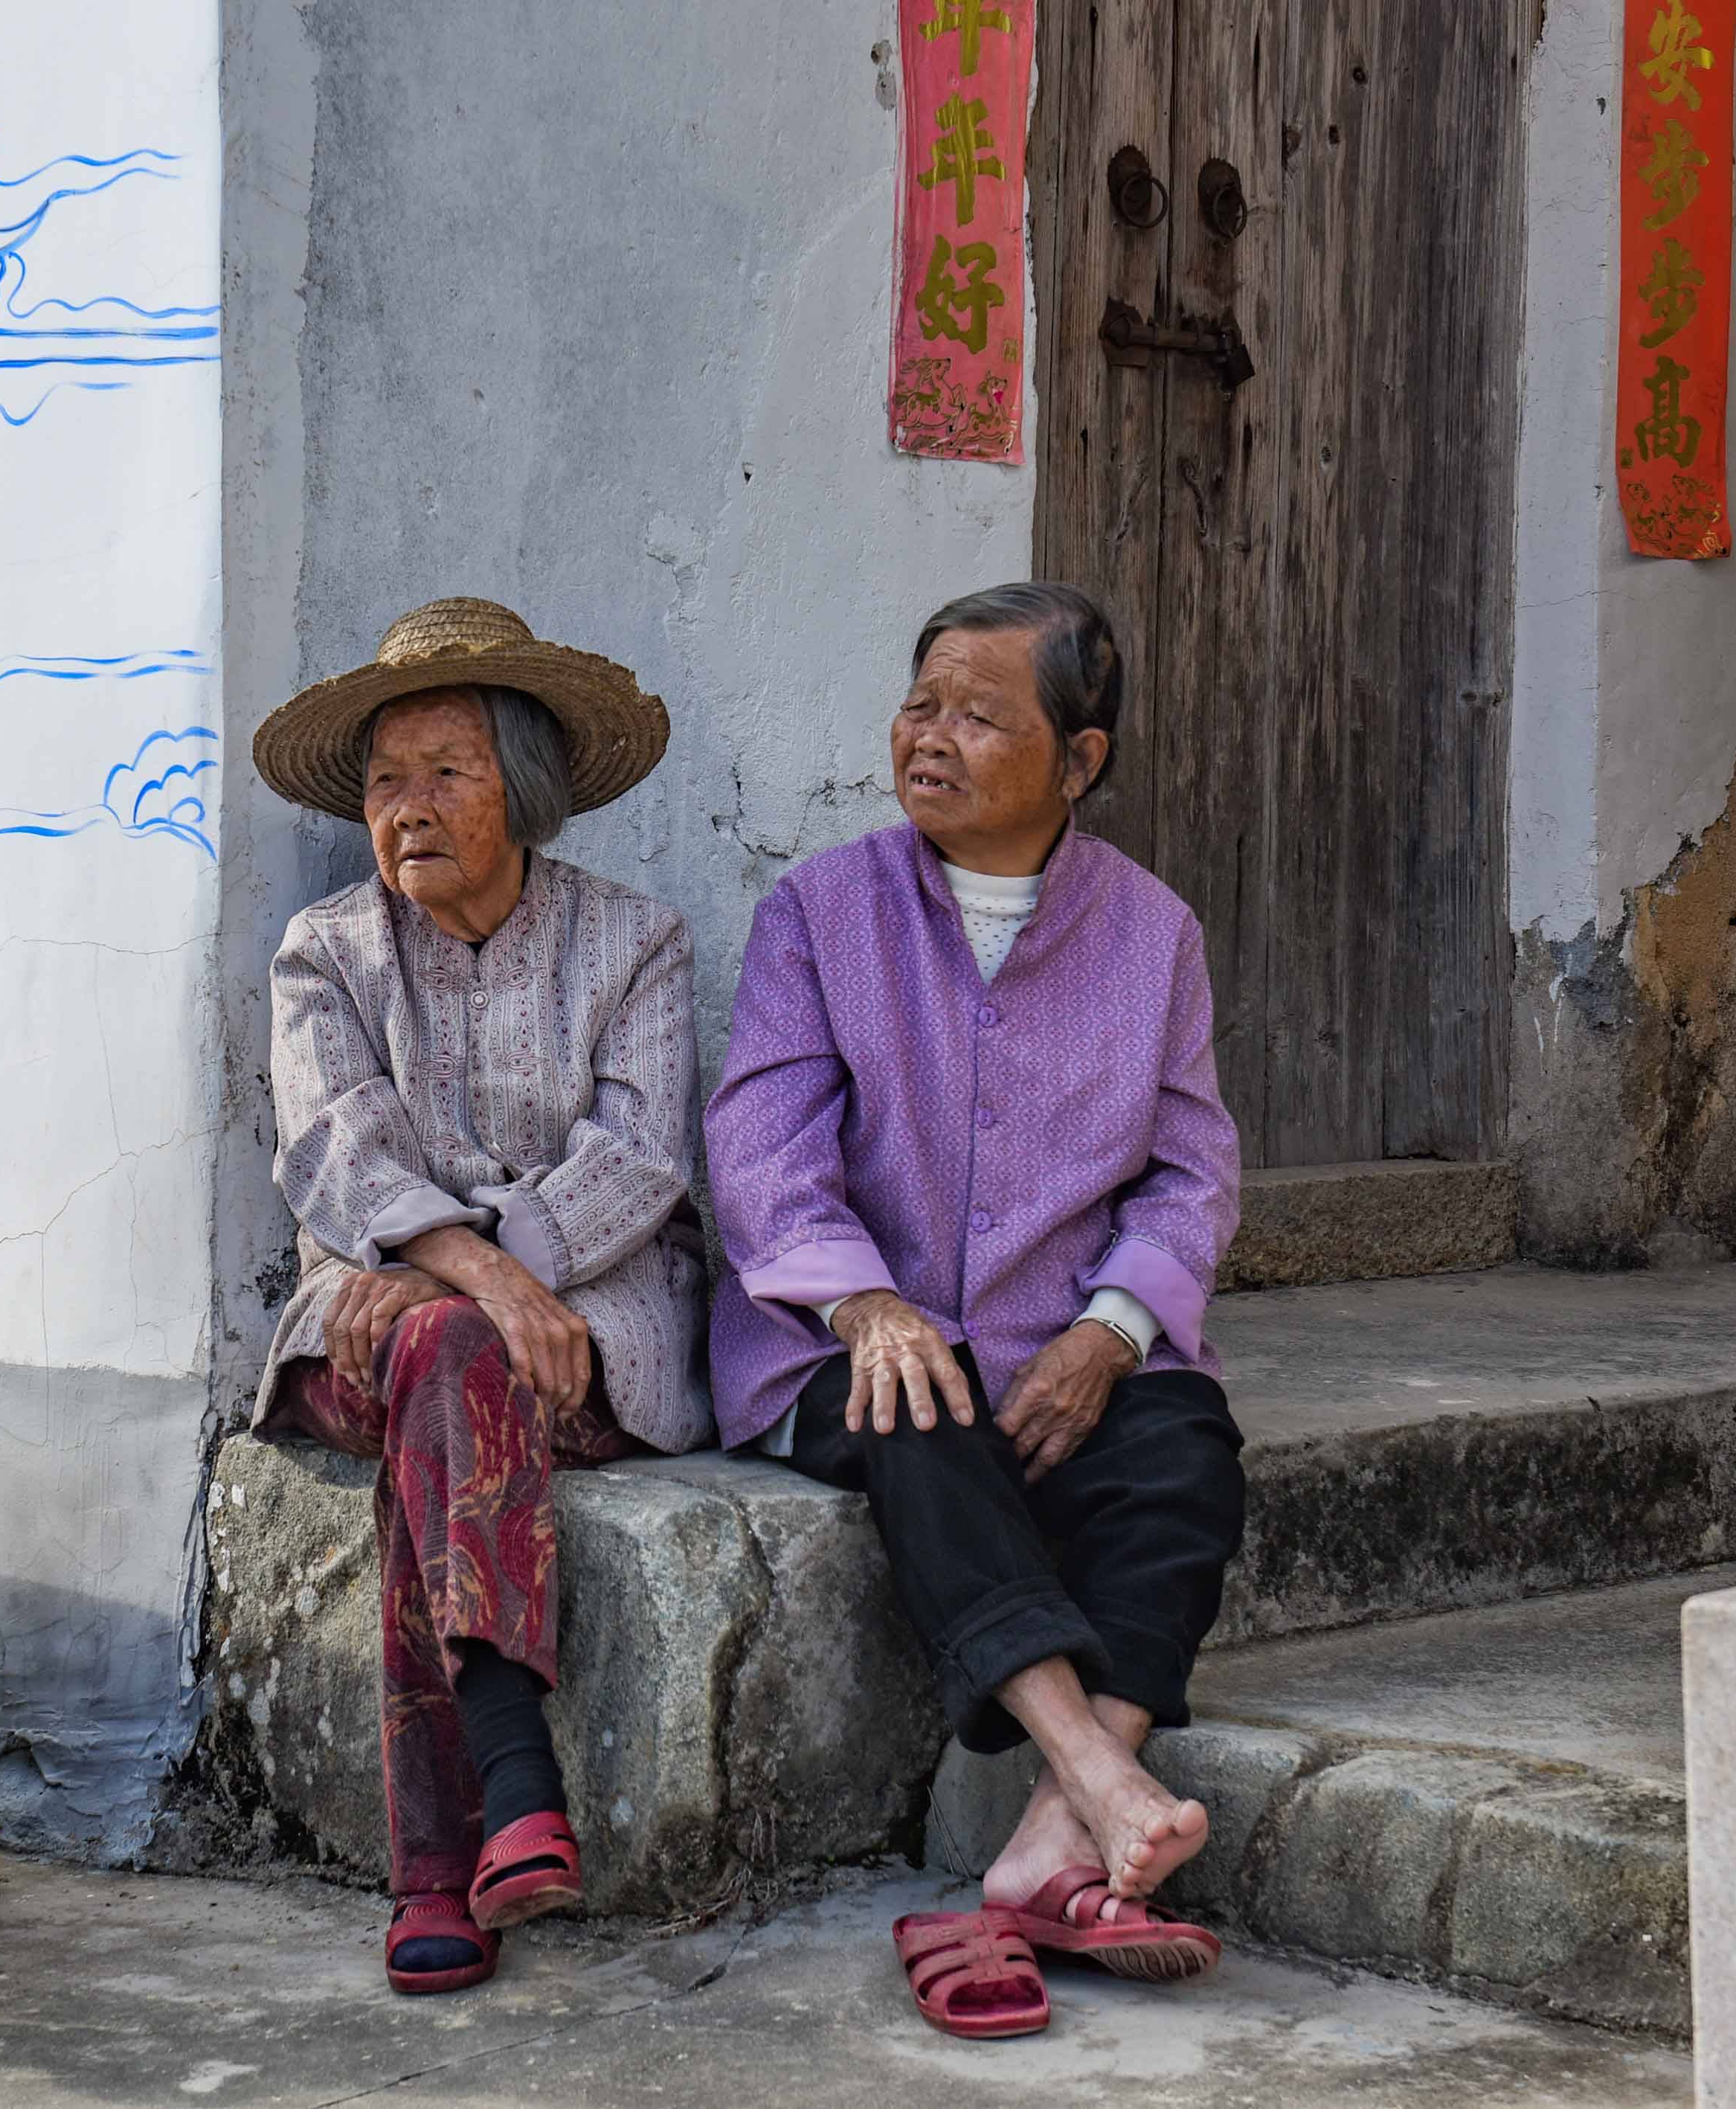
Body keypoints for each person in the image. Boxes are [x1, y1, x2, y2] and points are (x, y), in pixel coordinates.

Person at [705, 582, 1244, 2041]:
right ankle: (1097, 1777)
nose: (926, 737)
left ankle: (1036, 1855)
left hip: (1054, 1336)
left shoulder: (1152, 936)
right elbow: (763, 1149)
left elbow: (1189, 1174)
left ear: (1075, 759)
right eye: (918, 701)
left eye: (976, 714)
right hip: (836, 1336)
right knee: (916, 1394)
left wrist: (1108, 1331)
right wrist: (865, 1299)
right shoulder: (819, 909)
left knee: (1181, 1441)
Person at [248, 597, 707, 1996]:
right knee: (451, 1348)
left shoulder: (635, 943)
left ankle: (441, 1871)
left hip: (588, 1339)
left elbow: (640, 1158)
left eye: (449, 770)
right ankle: (515, 1788)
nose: (409, 806)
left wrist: (469, 1271)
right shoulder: (325, 948)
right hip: (381, 1320)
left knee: (441, 1386)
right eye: (387, 780)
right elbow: (334, 1147)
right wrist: (477, 1271)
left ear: (530, 787)